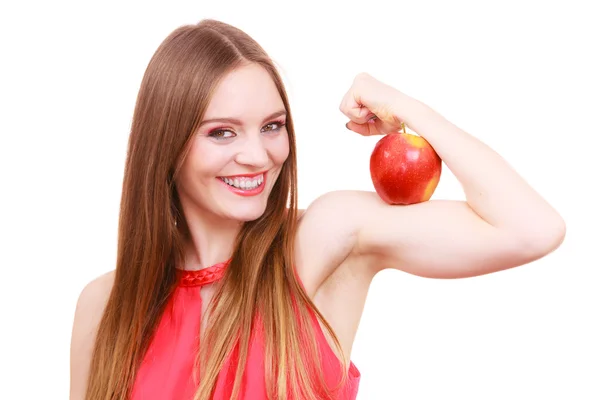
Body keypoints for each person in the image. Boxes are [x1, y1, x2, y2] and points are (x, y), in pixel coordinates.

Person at [69, 19, 566, 400]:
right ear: (166, 145)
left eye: (272, 126)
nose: (258, 155)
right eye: (222, 131)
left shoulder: (321, 241)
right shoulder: (103, 305)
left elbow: (532, 229)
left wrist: (399, 104)